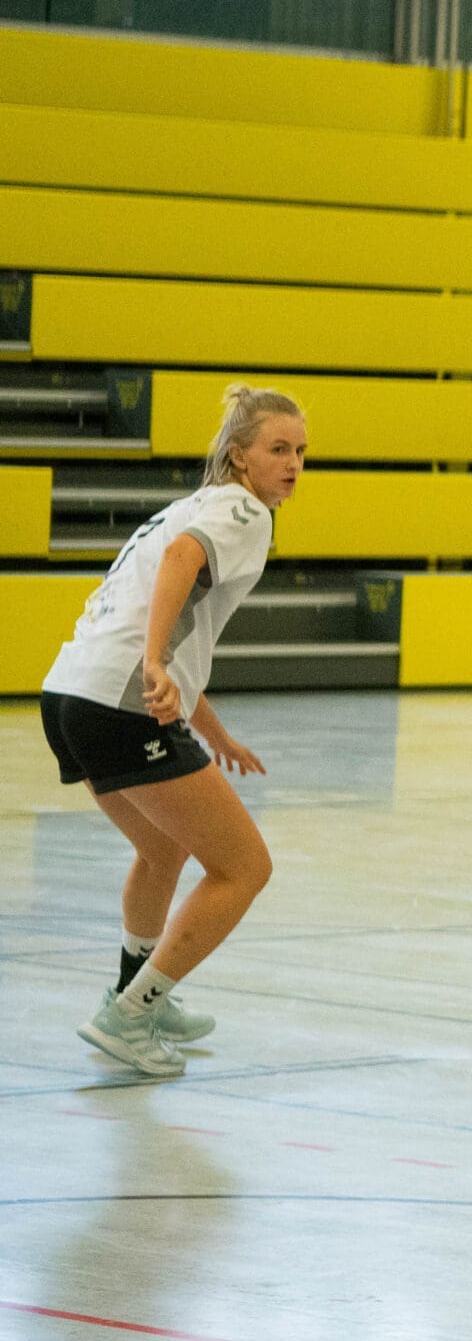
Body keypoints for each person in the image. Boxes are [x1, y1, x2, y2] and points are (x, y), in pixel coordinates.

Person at [40, 384, 306, 1080]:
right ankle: (131, 1015)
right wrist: (155, 664)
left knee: (161, 849)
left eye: (301, 451)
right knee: (245, 868)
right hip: (121, 701)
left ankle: (133, 994)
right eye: (278, 449)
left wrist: (211, 729)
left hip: (70, 695)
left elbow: (166, 625)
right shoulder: (243, 512)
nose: (293, 464)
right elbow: (181, 561)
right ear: (239, 456)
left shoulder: (194, 504)